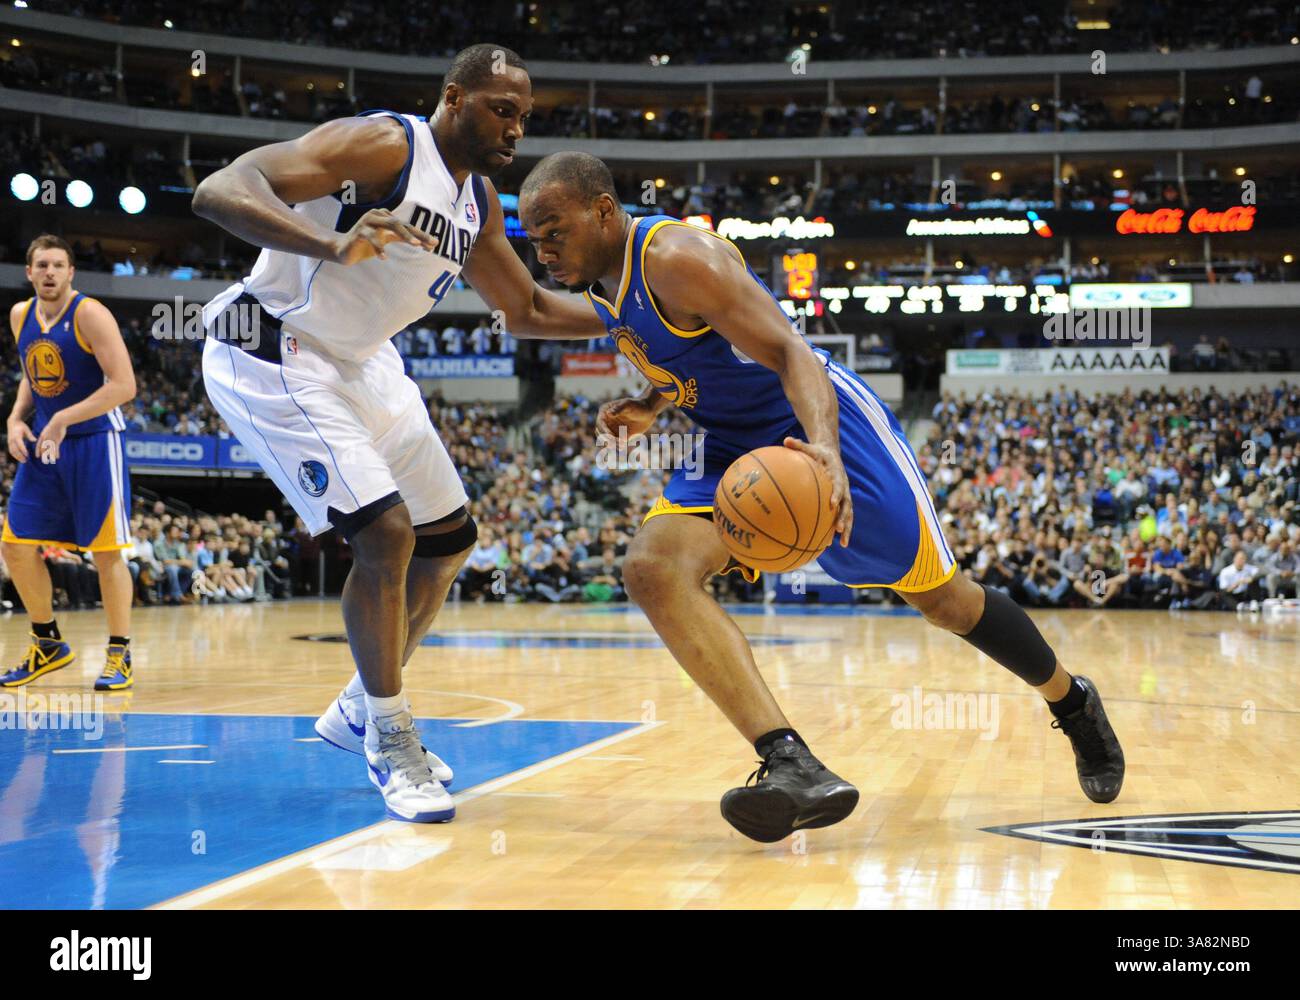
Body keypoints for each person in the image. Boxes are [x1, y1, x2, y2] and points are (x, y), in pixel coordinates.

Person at [515, 152, 1125, 842]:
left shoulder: (680, 257)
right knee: (653, 567)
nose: (543, 253)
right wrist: (653, 403)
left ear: (602, 212)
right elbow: (699, 355)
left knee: (945, 602)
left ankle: (1072, 701)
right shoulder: (601, 280)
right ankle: (789, 761)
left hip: (819, 425)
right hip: (728, 448)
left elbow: (788, 352)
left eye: (552, 233)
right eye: (533, 241)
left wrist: (825, 449)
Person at [191, 44, 606, 823]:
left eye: (525, 116)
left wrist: (651, 321)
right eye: (501, 109)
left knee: (449, 541)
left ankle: (357, 706)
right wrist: (328, 242)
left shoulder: (477, 200)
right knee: (384, 535)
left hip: (362, 361)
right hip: (272, 345)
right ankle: (390, 736)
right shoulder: (386, 145)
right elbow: (220, 189)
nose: (515, 129)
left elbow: (529, 311)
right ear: (455, 98)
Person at [1, 235, 137, 691]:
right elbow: (31, 373)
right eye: (42, 265)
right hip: (45, 443)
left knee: (106, 553)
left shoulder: (90, 314)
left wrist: (62, 418)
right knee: (14, 544)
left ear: (71, 272)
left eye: (58, 265)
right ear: (29, 271)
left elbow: (124, 386)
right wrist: (16, 418)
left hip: (96, 441)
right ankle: (47, 642)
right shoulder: (21, 316)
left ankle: (119, 652)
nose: (50, 273)